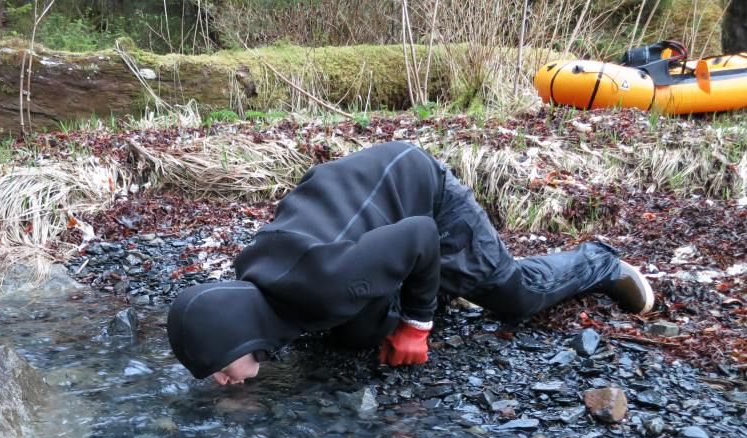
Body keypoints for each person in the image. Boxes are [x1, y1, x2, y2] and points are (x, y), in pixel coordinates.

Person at [167, 141, 653, 385]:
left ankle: (602, 263)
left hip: (421, 197)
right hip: (363, 200)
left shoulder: (327, 282)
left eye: (218, 366)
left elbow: (420, 235)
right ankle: (425, 284)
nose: (219, 378)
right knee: (351, 336)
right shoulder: (255, 281)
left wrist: (418, 326)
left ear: (239, 334)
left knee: (513, 296)